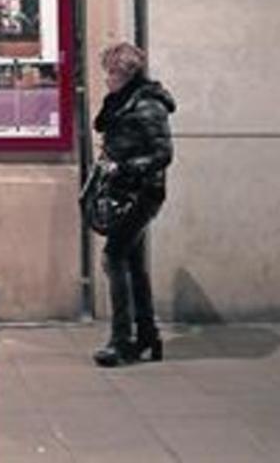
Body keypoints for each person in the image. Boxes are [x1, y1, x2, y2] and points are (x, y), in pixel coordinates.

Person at [91, 41, 175, 367]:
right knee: (133, 263)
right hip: (125, 192)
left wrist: (124, 167)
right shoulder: (123, 101)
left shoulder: (148, 106)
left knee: (113, 257)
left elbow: (163, 154)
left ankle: (121, 339)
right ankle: (147, 335)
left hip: (142, 193)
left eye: (111, 73)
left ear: (125, 73)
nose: (107, 79)